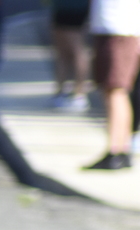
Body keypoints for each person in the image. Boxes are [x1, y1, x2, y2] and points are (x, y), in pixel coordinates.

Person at [85, 0, 140, 168]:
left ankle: (116, 150)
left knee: (115, 90)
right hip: (112, 28)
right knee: (114, 91)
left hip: (120, 30)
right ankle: (121, 148)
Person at [50, 0, 92, 111]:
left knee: (77, 50)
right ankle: (60, 92)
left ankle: (79, 94)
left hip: (75, 8)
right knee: (62, 52)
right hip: (62, 7)